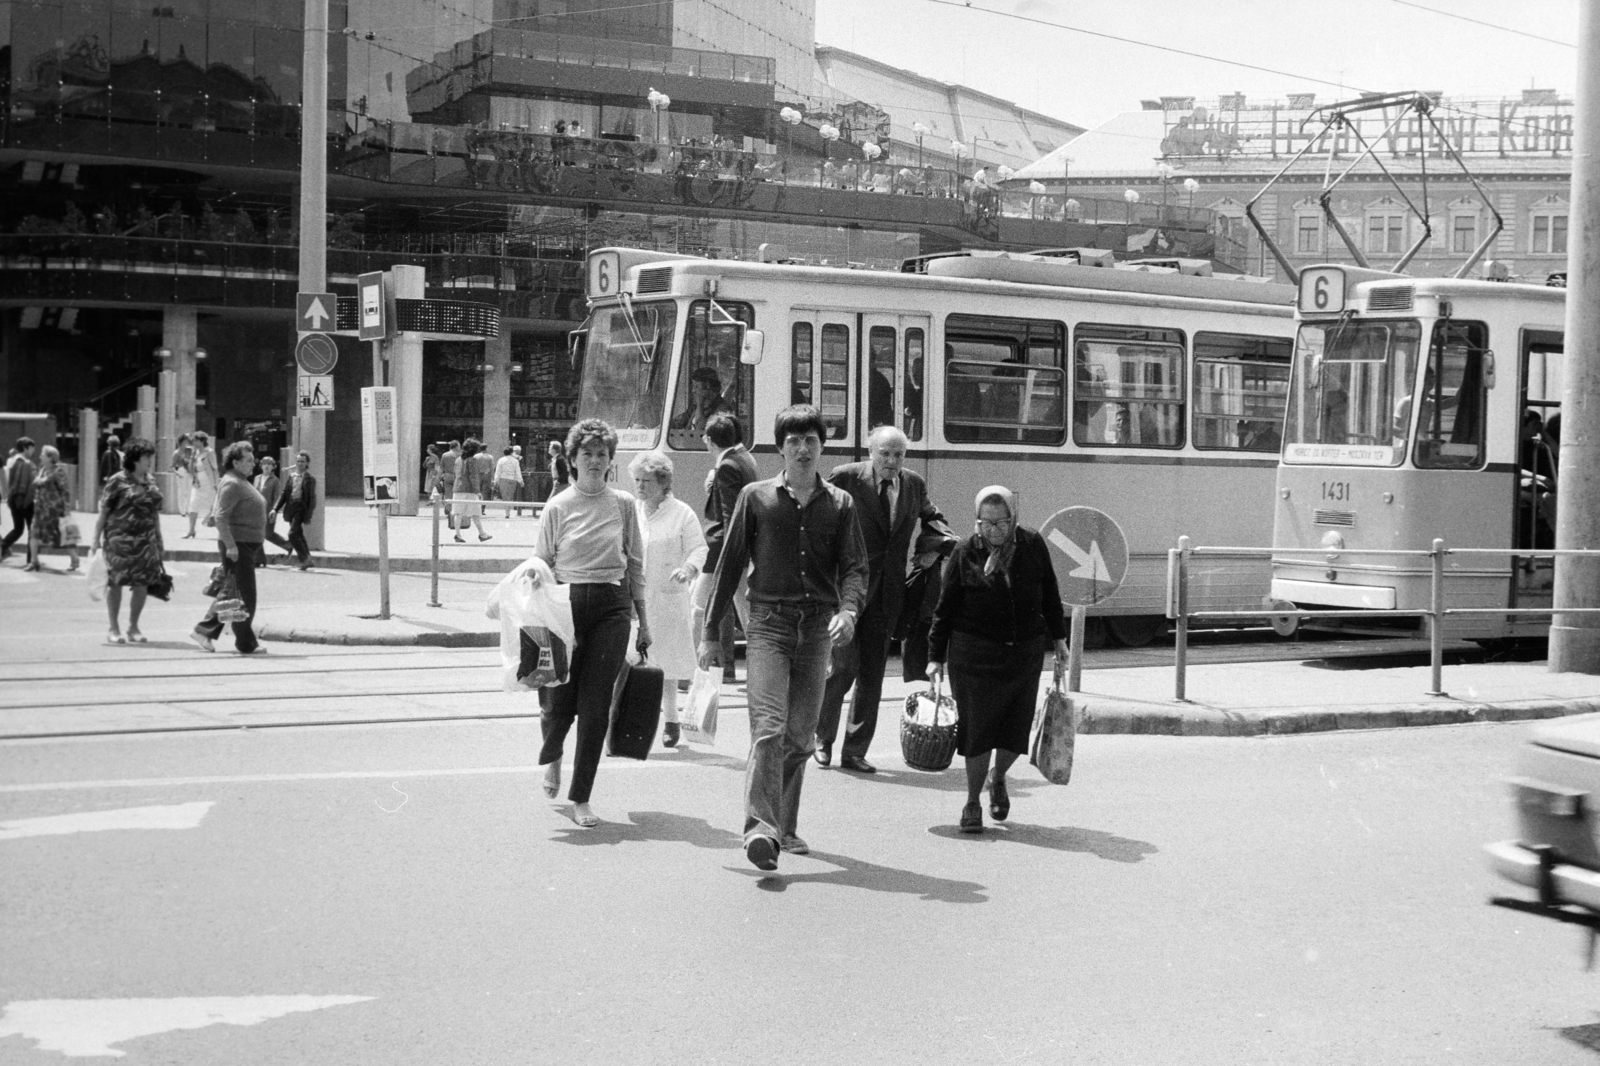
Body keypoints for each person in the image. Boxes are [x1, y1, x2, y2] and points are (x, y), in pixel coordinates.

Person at [700, 404, 869, 871]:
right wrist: (711, 632)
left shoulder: (840, 504)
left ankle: (785, 826)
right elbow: (730, 562)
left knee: (799, 737)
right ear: (780, 448)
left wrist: (849, 610)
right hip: (769, 625)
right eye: (792, 441)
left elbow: (855, 567)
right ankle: (761, 830)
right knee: (768, 728)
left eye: (810, 440)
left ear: (821, 447)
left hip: (816, 630)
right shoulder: (755, 497)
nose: (801, 449)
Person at [926, 486, 1069, 834]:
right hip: (974, 656)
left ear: (1013, 518)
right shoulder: (964, 551)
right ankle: (972, 801)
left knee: (1014, 733)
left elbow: (1049, 593)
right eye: (984, 523)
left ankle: (999, 776)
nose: (992, 531)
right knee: (977, 733)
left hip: (1023, 654)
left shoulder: (1032, 545)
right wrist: (934, 658)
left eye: (1000, 522)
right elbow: (944, 610)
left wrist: (1060, 640)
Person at [529, 419, 650, 829]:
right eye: (587, 454)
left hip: (611, 608)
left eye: (602, 455)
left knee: (594, 706)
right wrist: (533, 578)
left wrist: (643, 620)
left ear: (611, 461)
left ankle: (582, 796)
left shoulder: (624, 505)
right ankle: (554, 757)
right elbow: (542, 559)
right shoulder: (558, 505)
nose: (595, 461)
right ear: (573, 460)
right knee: (557, 700)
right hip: (564, 606)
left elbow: (634, 564)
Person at [816, 425, 955, 772]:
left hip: (888, 593)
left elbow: (935, 520)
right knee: (843, 668)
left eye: (898, 455)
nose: (891, 461)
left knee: (873, 676)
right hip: (847, 590)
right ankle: (822, 738)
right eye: (884, 453)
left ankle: (854, 751)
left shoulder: (913, 484)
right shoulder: (846, 477)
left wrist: (932, 549)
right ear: (870, 451)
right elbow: (820, 517)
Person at [629, 450, 707, 748]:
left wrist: (688, 568)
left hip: (668, 599)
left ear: (663, 482)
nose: (640, 486)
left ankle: (672, 720)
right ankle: (633, 723)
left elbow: (699, 548)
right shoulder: (633, 509)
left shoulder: (681, 513)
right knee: (634, 663)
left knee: (667, 665)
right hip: (637, 598)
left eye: (646, 480)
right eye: (636, 480)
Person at [694, 412, 758, 683]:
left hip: (722, 552)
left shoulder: (727, 467)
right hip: (738, 552)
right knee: (745, 613)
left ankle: (697, 670)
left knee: (697, 609)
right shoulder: (744, 458)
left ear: (709, 441)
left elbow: (731, 517)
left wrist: (731, 556)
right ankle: (761, 667)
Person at [192, 440, 266, 655]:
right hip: (238, 546)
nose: (253, 464)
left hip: (244, 546)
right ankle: (240, 641)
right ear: (235, 462)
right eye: (249, 460)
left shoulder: (240, 481)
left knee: (233, 595)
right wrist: (231, 545)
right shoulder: (233, 483)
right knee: (244, 597)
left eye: (254, 460)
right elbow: (220, 517)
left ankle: (217, 635)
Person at [95, 438, 164, 644]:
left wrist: (159, 540)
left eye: (150, 457)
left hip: (145, 541)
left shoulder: (149, 480)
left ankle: (133, 626)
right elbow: (105, 510)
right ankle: (113, 628)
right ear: (134, 458)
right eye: (146, 457)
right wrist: (94, 539)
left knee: (141, 585)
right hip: (119, 541)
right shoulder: (117, 480)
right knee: (115, 583)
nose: (150, 461)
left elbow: (154, 513)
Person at [25, 445, 77, 573]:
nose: (40, 456)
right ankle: (34, 561)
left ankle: (75, 559)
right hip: (40, 509)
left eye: (43, 454)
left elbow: (65, 491)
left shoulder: (58, 471)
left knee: (63, 535)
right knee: (34, 533)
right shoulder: (42, 470)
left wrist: (66, 509)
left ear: (50, 457)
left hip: (55, 510)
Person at [271, 450, 317, 570]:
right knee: (298, 534)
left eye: (302, 461)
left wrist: (309, 515)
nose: (300, 464)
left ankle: (304, 559)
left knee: (292, 534)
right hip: (291, 508)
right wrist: (275, 509)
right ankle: (308, 559)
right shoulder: (291, 477)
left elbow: (312, 499)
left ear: (307, 463)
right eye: (298, 461)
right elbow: (284, 494)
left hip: (301, 508)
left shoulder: (310, 479)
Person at [2, 436, 38, 561]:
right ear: (25, 448)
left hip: (13, 499)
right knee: (31, 530)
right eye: (32, 448)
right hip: (24, 500)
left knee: (18, 529)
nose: (33, 451)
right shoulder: (25, 463)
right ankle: (31, 559)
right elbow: (27, 483)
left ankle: (2, 548)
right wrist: (26, 500)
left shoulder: (11, 461)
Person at [451, 438, 492, 543]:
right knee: (476, 513)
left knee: (458, 513)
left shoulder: (458, 460)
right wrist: (477, 491)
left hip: (457, 488)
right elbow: (473, 476)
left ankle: (457, 534)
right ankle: (482, 534)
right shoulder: (472, 460)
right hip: (469, 490)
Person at [670, 367, 734, 433]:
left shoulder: (723, 409)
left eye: (696, 386)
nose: (693, 390)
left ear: (707, 387)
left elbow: (700, 431)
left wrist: (700, 404)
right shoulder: (694, 408)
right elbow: (674, 423)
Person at [184, 431, 218, 539]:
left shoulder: (210, 452)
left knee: (212, 507)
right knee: (193, 504)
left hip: (208, 481)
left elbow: (215, 468)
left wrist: (216, 484)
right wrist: (192, 457)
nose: (194, 443)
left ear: (202, 441)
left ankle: (223, 531)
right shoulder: (195, 453)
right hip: (197, 481)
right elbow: (190, 468)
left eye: (196, 441)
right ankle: (191, 530)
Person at [254, 455, 286, 564]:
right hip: (257, 512)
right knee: (257, 534)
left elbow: (278, 497)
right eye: (264, 463)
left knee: (268, 534)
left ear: (273, 467)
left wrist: (275, 510)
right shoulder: (257, 478)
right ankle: (259, 559)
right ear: (261, 466)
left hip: (268, 512)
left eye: (269, 464)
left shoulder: (275, 481)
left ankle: (288, 545)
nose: (266, 466)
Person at [494, 445, 525, 515]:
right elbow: (518, 472)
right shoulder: (515, 461)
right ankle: (508, 511)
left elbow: (498, 471)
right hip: (512, 480)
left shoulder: (501, 460)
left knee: (505, 497)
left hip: (503, 479)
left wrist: (496, 480)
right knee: (510, 496)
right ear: (511, 452)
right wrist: (520, 481)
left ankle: (507, 512)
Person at [170, 433, 194, 516]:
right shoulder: (176, 453)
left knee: (189, 491)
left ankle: (188, 509)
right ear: (181, 442)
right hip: (181, 470)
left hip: (189, 471)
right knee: (182, 491)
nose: (186, 442)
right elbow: (172, 466)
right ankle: (182, 511)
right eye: (185, 441)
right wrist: (177, 473)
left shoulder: (189, 450)